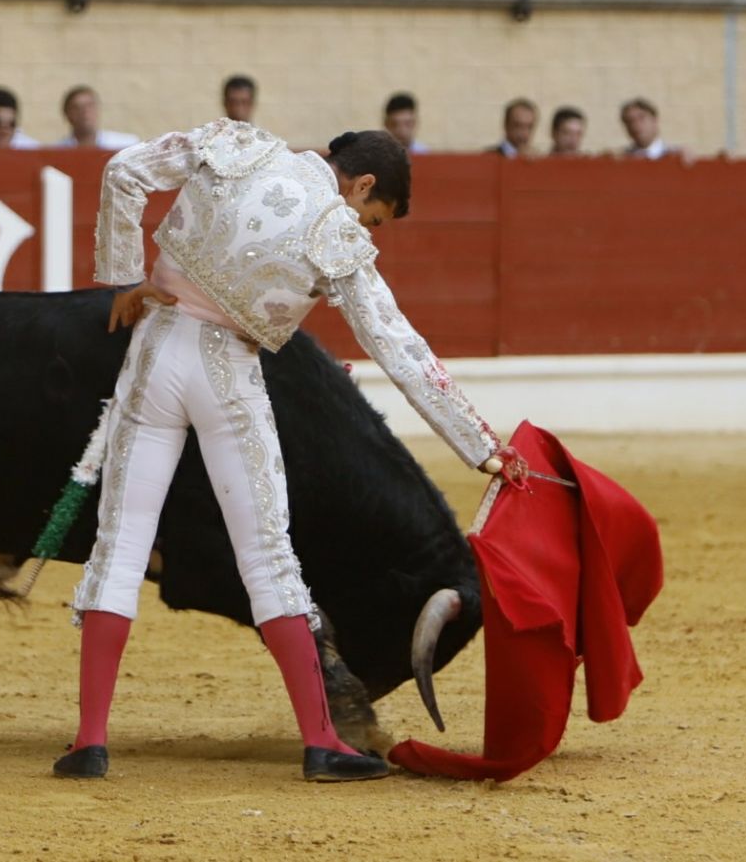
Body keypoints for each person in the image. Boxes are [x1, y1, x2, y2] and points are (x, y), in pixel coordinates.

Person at [56, 119, 528, 783]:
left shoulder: (240, 144)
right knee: (269, 555)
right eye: (375, 215)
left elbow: (124, 170)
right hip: (227, 378)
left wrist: (121, 280)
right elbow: (402, 349)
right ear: (361, 183)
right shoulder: (335, 234)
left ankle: (89, 742)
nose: (367, 229)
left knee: (120, 542)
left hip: (153, 354)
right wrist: (483, 447)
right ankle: (321, 740)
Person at [54, 85, 139, 149]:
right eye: (77, 107)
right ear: (66, 114)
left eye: (89, 105)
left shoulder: (125, 146)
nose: (84, 111)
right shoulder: (57, 151)